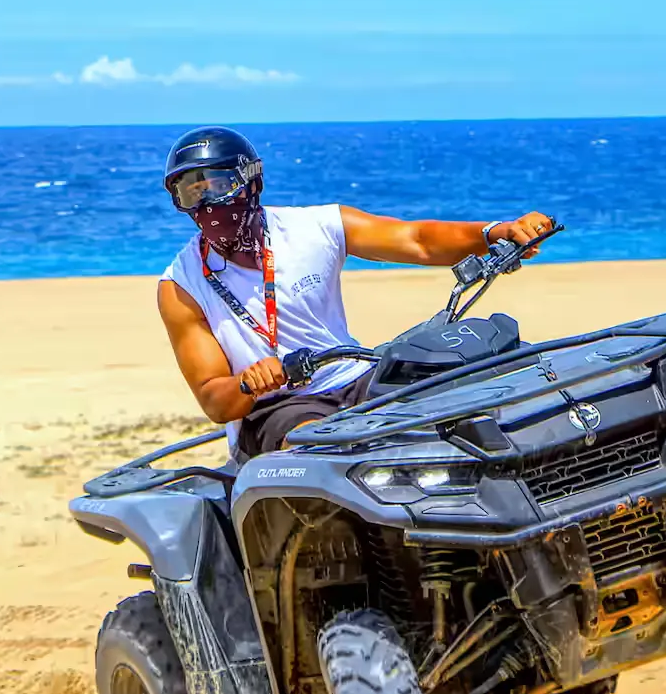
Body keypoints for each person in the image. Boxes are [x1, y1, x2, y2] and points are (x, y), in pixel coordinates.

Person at [158, 127, 556, 460]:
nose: (208, 203)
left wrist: (494, 234)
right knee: (320, 450)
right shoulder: (181, 285)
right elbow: (213, 399)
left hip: (357, 375)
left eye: (220, 185)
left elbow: (416, 240)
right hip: (279, 407)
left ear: (252, 182)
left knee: (476, 389)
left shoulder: (316, 229)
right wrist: (249, 382)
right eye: (192, 193)